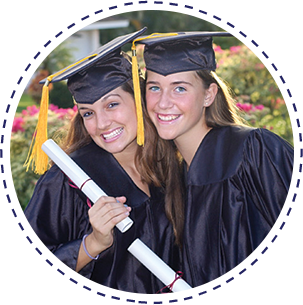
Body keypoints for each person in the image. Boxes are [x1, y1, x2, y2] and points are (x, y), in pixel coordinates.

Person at [23, 29, 181, 294]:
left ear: (139, 100)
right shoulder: (68, 180)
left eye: (111, 105)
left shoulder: (170, 165)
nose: (101, 124)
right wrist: (93, 243)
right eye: (88, 113)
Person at [135, 31, 294, 287]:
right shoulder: (174, 178)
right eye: (154, 88)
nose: (163, 103)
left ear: (209, 95)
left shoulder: (254, 150)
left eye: (179, 88)